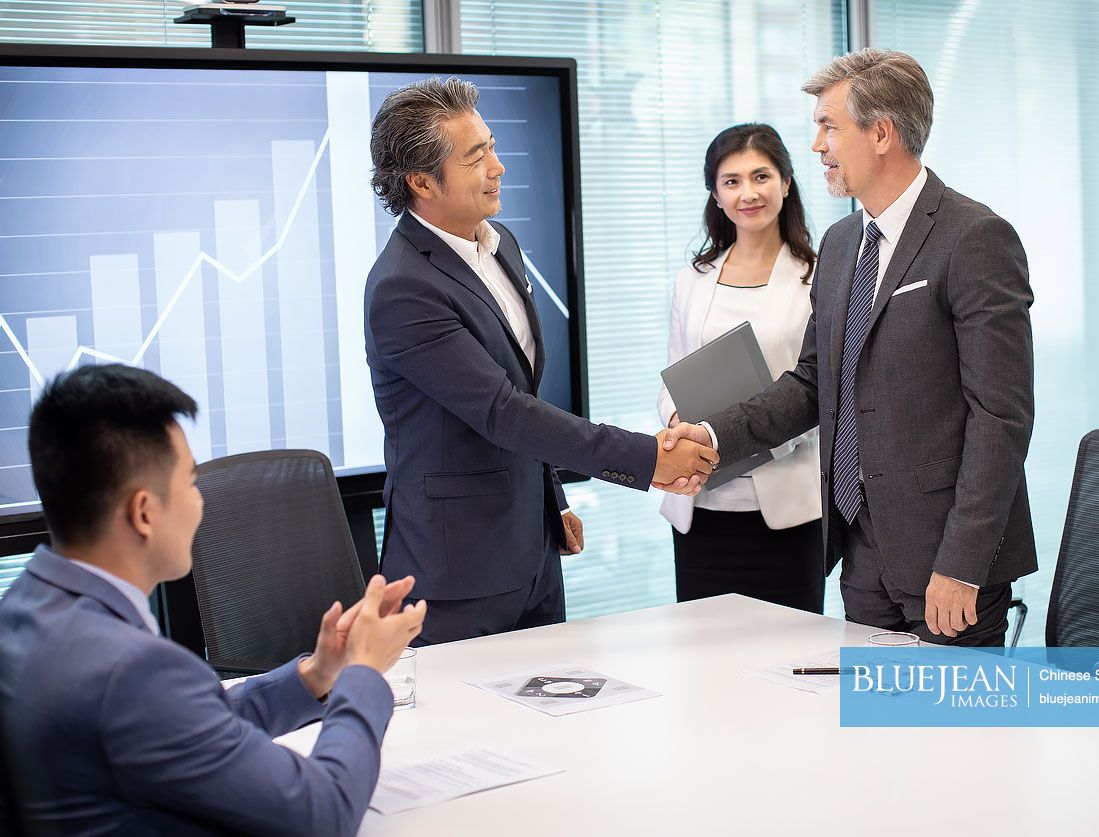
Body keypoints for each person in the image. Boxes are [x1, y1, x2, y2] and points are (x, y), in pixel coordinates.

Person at [665, 49, 1037, 646]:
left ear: (882, 133)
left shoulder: (974, 239)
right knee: (875, 737)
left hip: (946, 564)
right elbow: (813, 382)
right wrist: (712, 435)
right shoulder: (842, 243)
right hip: (862, 555)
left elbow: (1002, 418)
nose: (817, 145)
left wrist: (962, 566)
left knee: (957, 738)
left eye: (829, 126)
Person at [0, 364, 427, 835]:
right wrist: (364, 674)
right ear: (143, 512)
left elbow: (179, 726)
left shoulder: (25, 608)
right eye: (189, 483)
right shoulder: (130, 671)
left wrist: (317, 675)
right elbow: (321, 813)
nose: (199, 502)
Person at [365, 78, 717, 646]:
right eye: (476, 158)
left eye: (493, 147)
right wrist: (647, 458)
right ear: (421, 181)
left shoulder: (500, 243)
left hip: (532, 550)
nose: (498, 167)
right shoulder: (403, 288)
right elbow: (502, 411)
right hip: (457, 571)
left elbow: (518, 389)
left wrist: (550, 502)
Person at [658, 123, 825, 613]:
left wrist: (736, 439)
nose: (747, 193)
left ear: (786, 183)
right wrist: (678, 428)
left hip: (785, 512)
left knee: (789, 663)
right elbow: (672, 371)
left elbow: (819, 390)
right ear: (715, 192)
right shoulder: (694, 278)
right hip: (702, 511)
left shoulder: (817, 277)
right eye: (731, 181)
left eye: (761, 177)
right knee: (706, 663)